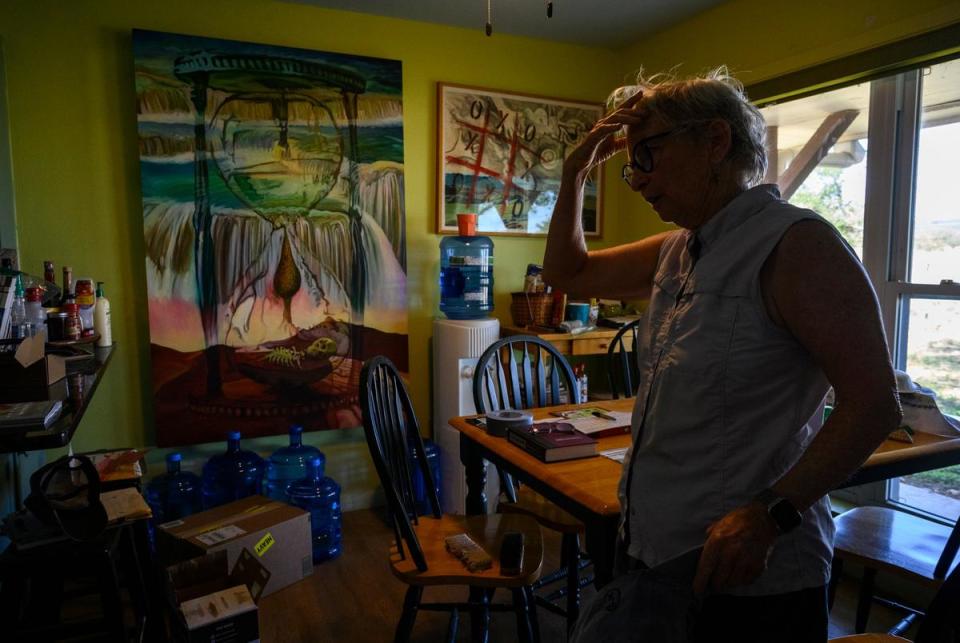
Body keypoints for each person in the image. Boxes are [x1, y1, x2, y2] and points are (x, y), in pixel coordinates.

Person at [544, 68, 902, 642]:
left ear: (714, 141)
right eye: (630, 163)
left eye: (647, 156)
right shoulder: (678, 249)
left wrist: (770, 515)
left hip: (754, 577)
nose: (636, 180)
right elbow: (567, 273)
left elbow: (875, 406)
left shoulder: (797, 245)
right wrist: (574, 174)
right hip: (656, 551)